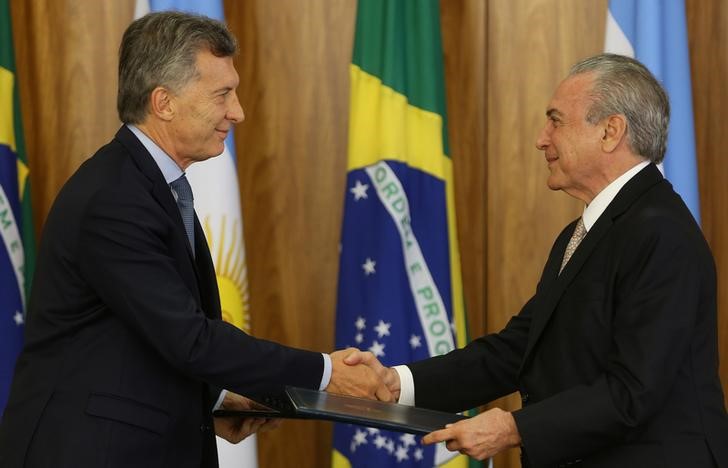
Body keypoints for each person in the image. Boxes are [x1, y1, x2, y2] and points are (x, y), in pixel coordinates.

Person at [0, 11, 389, 468]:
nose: (238, 111)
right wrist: (326, 375)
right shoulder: (114, 198)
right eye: (222, 94)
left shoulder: (149, 185)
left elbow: (141, 341)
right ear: (163, 102)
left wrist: (215, 398)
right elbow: (191, 339)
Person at [346, 53, 728, 467]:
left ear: (610, 131)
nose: (541, 138)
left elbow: (633, 392)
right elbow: (520, 349)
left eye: (556, 120)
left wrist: (513, 428)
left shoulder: (660, 232)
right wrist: (397, 382)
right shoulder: (584, 233)